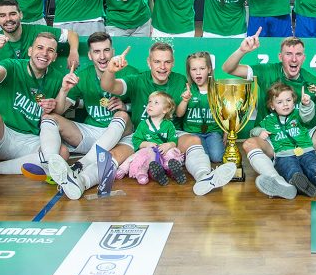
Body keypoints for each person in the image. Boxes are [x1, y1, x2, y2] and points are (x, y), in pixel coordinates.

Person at [223, 32, 316, 196]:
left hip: (304, 139)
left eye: (298, 54)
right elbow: (228, 68)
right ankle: (276, 181)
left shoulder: (312, 83)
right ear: (280, 56)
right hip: (274, 140)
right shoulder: (267, 71)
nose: (293, 59)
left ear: (304, 58)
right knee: (249, 144)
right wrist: (242, 50)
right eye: (288, 54)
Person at [100, 42, 237, 195]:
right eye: (157, 61)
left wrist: (225, 127)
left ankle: (204, 177)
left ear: (173, 63)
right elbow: (108, 86)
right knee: (114, 156)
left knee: (194, 140)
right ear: (148, 62)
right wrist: (110, 71)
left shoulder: (181, 81)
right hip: (143, 135)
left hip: (172, 133)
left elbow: (196, 100)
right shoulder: (137, 80)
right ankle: (82, 179)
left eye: (167, 62)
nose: (162, 67)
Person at [41, 32, 136, 200]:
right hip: (92, 133)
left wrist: (126, 106)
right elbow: (59, 111)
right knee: (49, 118)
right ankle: (51, 165)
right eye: (97, 52)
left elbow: (146, 107)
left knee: (122, 114)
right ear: (90, 55)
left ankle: (81, 165)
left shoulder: (129, 72)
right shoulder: (83, 76)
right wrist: (64, 90)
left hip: (120, 134)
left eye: (106, 50)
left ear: (113, 52)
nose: (102, 56)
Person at [0, 31, 67, 197]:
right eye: (40, 48)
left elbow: (59, 111)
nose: (44, 54)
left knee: (61, 154)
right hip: (5, 134)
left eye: (50, 50)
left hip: (31, 139)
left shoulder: (58, 78)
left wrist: (54, 104)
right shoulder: (12, 66)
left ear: (54, 57)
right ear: (30, 51)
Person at [0, 0, 77, 111]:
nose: (8, 19)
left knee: (49, 109)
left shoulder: (36, 31)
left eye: (13, 14)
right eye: (2, 15)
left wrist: (73, 52)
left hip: (38, 86)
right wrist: (6, 78)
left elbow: (71, 35)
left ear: (21, 15)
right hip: (5, 88)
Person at [255, 82, 316, 197]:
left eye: (288, 100)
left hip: (306, 150)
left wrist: (306, 104)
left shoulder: (298, 114)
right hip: (284, 155)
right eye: (279, 102)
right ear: (272, 106)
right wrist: (259, 132)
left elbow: (307, 115)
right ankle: (299, 183)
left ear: (294, 101)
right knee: (291, 170)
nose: (285, 104)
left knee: (313, 168)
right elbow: (254, 130)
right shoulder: (268, 120)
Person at [118, 92, 186, 185]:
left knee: (172, 151)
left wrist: (168, 145)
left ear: (165, 110)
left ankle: (172, 167)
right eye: (149, 101)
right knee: (144, 156)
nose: (150, 104)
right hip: (151, 153)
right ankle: (144, 174)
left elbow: (173, 140)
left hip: (163, 151)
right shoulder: (143, 124)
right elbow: (136, 139)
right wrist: (146, 144)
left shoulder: (168, 124)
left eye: (156, 102)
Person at [175, 52, 225, 163]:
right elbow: (179, 114)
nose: (198, 73)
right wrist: (185, 100)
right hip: (192, 132)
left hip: (213, 131)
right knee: (203, 157)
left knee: (217, 157)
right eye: (193, 69)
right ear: (189, 71)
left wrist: (226, 136)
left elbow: (226, 116)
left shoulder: (218, 89)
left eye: (202, 68)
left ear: (209, 69)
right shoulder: (187, 89)